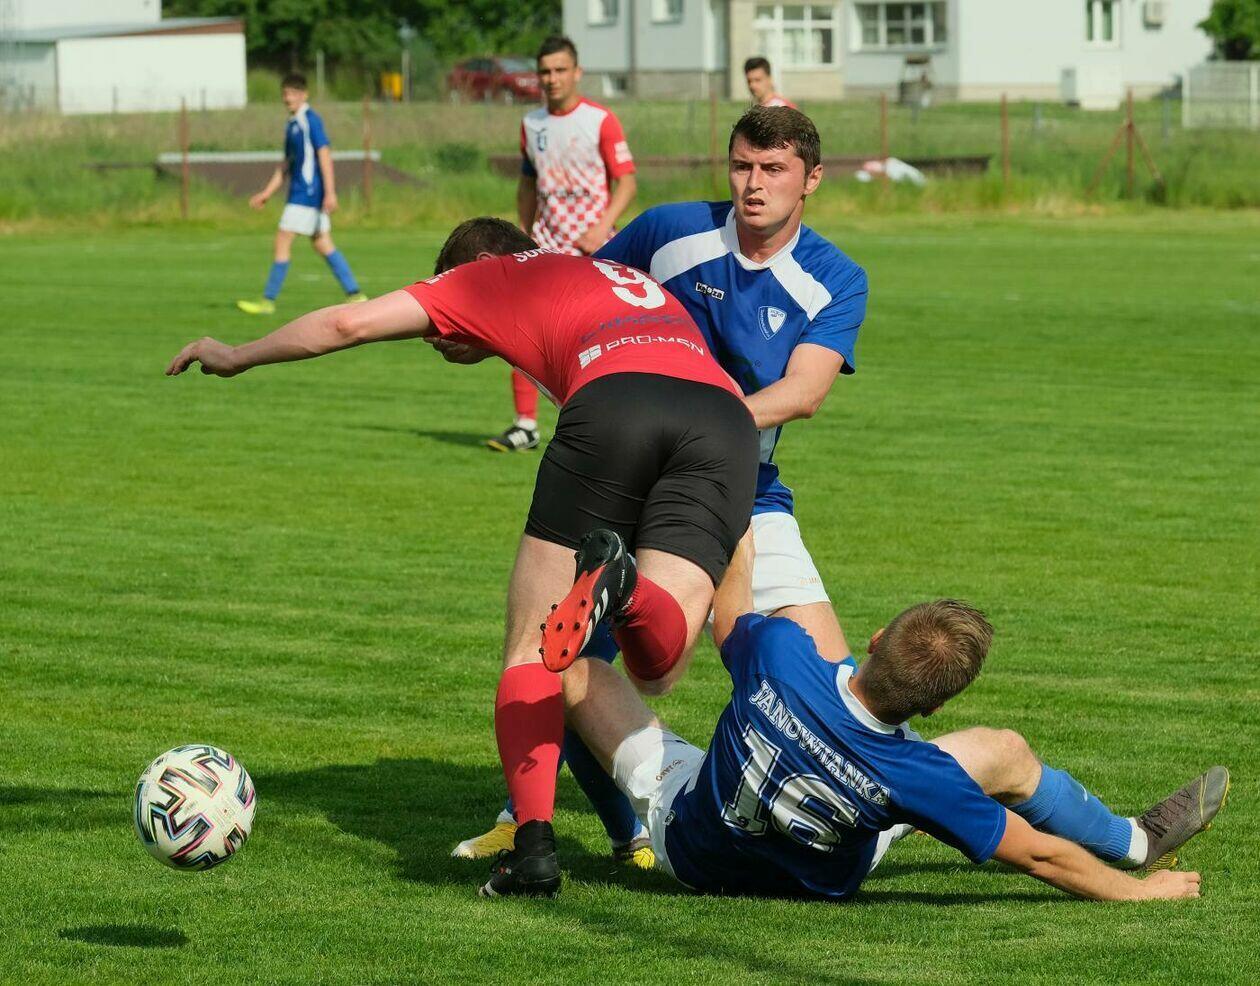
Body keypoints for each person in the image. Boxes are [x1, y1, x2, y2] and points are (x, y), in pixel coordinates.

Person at [166, 216, 760, 899]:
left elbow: (348, 323)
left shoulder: (495, 275)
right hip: (727, 420)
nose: (436, 329)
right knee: (657, 667)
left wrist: (237, 354)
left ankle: (532, 849)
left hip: (618, 401)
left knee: (534, 648)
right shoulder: (612, 275)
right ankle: (624, 590)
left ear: (471, 267)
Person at [455, 106, 867, 861]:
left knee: (833, 684)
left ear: (812, 180)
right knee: (562, 653)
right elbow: (575, 293)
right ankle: (560, 822)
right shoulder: (668, 231)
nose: (753, 184)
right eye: (742, 165)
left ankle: (868, 805)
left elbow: (805, 392)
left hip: (746, 491)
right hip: (627, 484)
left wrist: (705, 425)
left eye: (773, 169)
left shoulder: (834, 278)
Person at [558, 533, 1229, 901]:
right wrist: (1139, 893)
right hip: (814, 878)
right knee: (1005, 751)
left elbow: (729, 614)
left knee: (577, 671)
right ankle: (1134, 844)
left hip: (695, 849)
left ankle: (628, 838)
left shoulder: (782, 655)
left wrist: (738, 527)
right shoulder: (921, 776)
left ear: (876, 639)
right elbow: (1041, 855)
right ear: (935, 706)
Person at [486, 35, 637, 453]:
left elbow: (626, 181)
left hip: (593, 250)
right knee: (522, 330)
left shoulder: (600, 120)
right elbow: (527, 183)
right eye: (545, 72)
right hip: (546, 248)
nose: (552, 79)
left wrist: (601, 227)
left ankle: (602, 425)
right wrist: (522, 232)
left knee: (593, 340)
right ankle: (525, 425)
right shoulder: (532, 124)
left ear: (577, 72)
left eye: (559, 70)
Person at [236, 73, 366, 316]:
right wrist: (266, 193)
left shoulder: (310, 120)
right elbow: (287, 163)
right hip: (303, 193)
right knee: (323, 244)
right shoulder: (293, 123)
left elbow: (324, 154)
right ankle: (356, 294)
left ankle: (267, 301)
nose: (288, 98)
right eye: (285, 93)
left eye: (293, 93)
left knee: (283, 239)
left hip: (307, 193)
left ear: (304, 95)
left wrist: (330, 192)